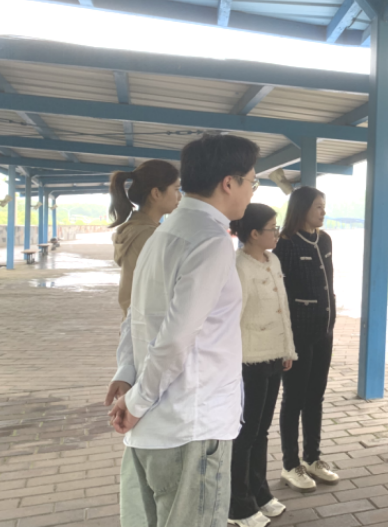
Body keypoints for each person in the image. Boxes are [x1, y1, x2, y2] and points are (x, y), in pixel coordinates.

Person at [105, 133, 260, 527]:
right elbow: (176, 337)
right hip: (192, 424)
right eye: (252, 181)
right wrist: (136, 402)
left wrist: (128, 374)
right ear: (229, 183)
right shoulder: (210, 240)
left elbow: (136, 314)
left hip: (155, 426)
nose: (251, 191)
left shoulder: (163, 232)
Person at [228, 204, 297, 526]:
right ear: (254, 234)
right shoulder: (237, 267)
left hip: (273, 357)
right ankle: (238, 505)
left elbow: (283, 309)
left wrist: (288, 350)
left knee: (261, 430)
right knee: (246, 433)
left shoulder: (274, 260)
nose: (277, 233)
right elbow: (231, 320)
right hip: (248, 360)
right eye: (272, 228)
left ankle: (260, 493)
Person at [274, 186, 339, 492]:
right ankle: (290, 464)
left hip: (324, 332)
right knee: (294, 399)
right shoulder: (285, 244)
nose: (323, 212)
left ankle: (313, 457)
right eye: (318, 207)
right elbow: (280, 295)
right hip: (297, 336)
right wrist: (285, 341)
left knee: (316, 397)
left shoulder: (324, 240)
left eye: (324, 206)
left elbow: (328, 283)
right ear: (302, 209)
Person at [108, 160, 181, 319]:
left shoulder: (134, 230)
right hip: (147, 324)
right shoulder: (148, 235)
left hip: (135, 322)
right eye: (176, 189)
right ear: (156, 193)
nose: (180, 196)